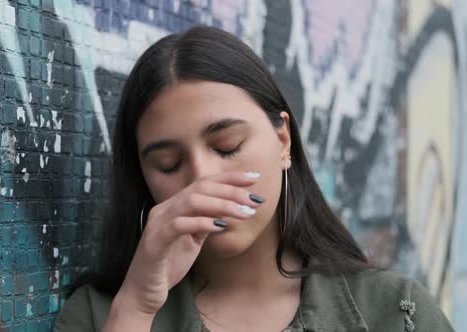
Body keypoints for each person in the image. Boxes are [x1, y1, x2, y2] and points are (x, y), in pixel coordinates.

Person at [53, 25, 454, 332]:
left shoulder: (396, 311)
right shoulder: (99, 313)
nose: (201, 179)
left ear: (283, 141)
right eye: (170, 165)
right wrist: (137, 307)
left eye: (226, 146)